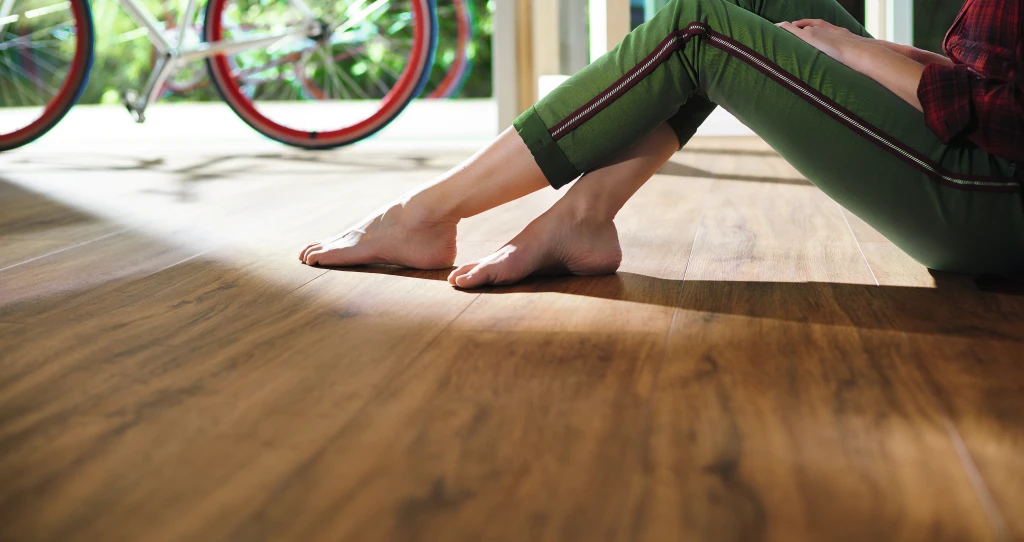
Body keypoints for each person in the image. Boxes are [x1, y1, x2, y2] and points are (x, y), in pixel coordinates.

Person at [299, 0, 1023, 288]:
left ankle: (423, 216)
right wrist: (898, 56)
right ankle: (579, 221)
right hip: (982, 153)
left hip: (988, 198)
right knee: (762, 1)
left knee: (697, 25)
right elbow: (993, 76)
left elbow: (1002, 120)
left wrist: (855, 53)